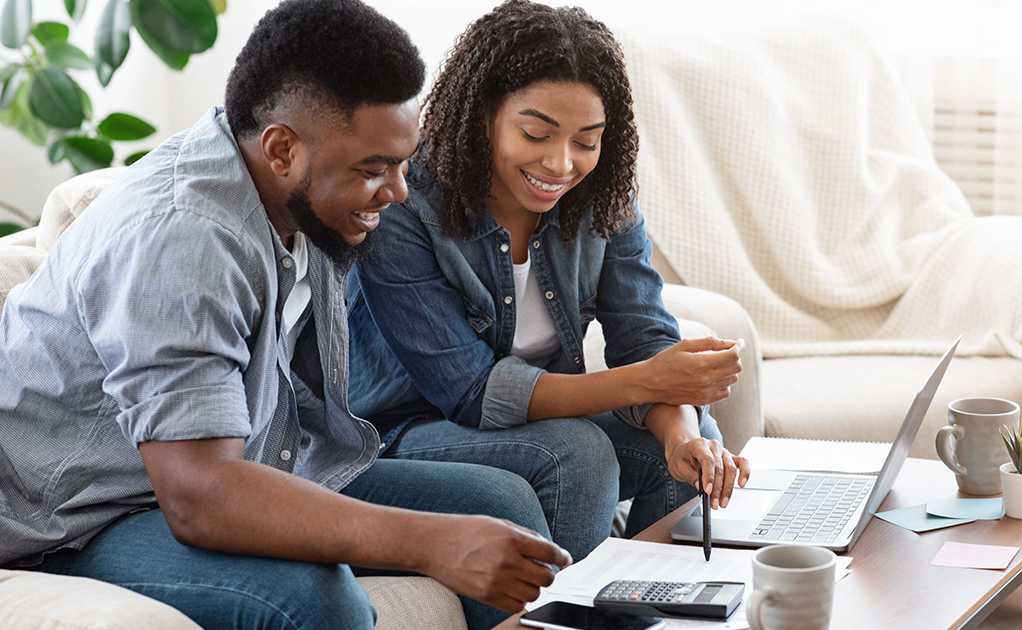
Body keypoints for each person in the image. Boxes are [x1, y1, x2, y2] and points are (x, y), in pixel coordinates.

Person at [0, 1, 569, 629]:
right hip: (79, 517)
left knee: (502, 500)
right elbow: (199, 495)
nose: (400, 190)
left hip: (251, 462)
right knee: (310, 597)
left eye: (404, 162)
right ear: (281, 149)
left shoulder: (301, 197)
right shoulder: (185, 238)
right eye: (375, 170)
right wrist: (431, 541)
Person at [347, 0, 751, 563]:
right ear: (484, 112)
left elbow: (643, 337)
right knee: (578, 454)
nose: (562, 165)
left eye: (586, 142)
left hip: (524, 425)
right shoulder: (406, 204)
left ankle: (660, 611)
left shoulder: (603, 201)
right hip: (405, 431)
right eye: (537, 133)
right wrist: (648, 380)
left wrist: (683, 429)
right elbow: (470, 392)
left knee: (686, 442)